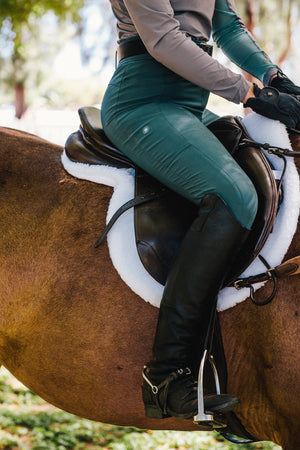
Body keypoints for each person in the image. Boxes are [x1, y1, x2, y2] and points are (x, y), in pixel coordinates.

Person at [101, 0, 300, 420]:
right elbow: (163, 39)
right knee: (234, 197)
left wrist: (274, 76)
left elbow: (226, 25)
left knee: (271, 158)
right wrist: (250, 94)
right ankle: (166, 374)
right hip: (143, 102)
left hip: (190, 105)